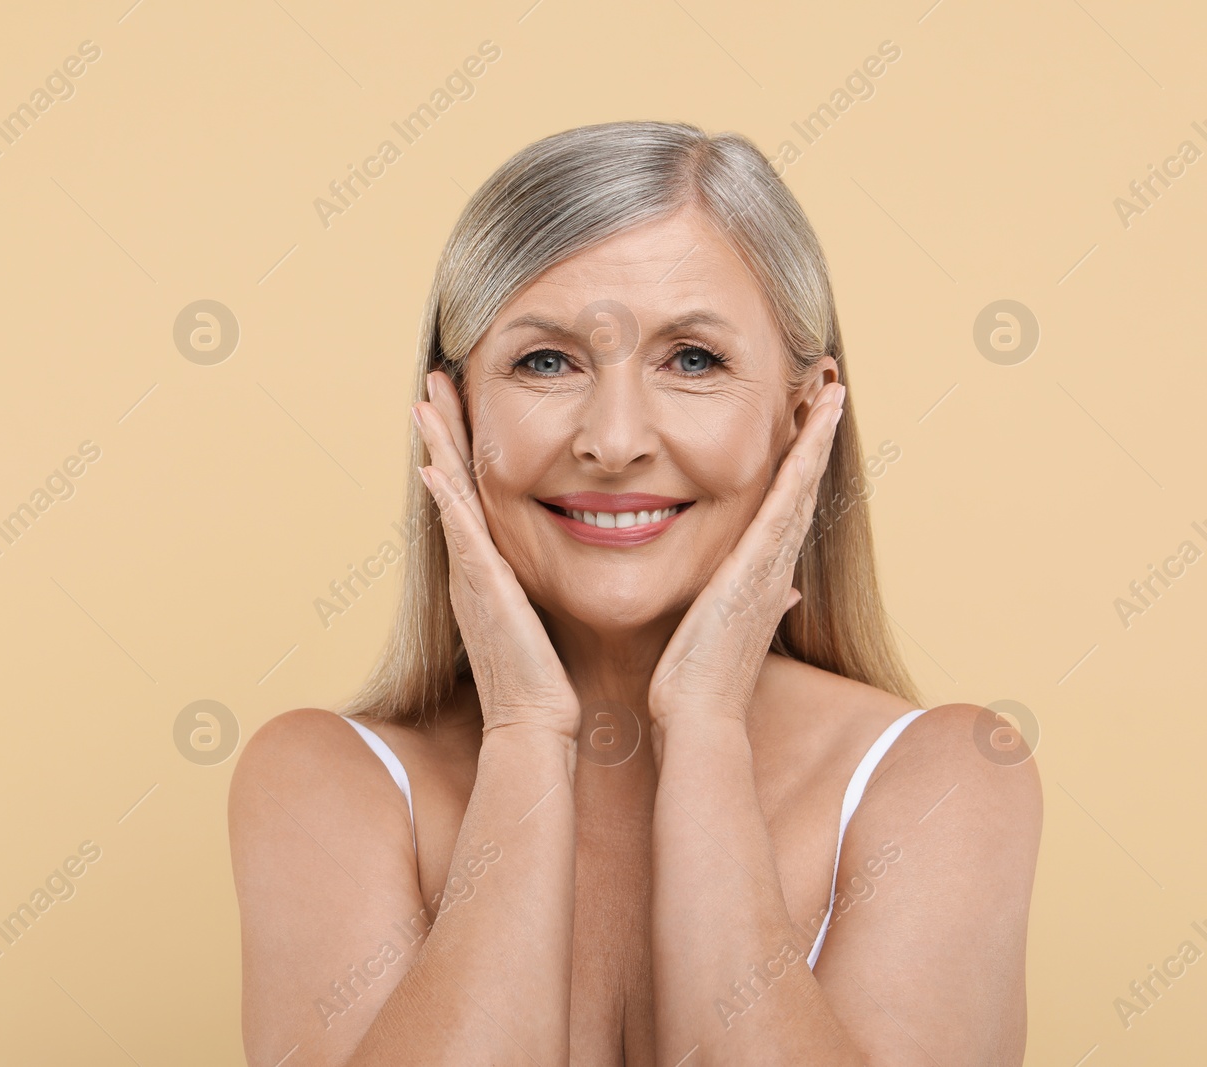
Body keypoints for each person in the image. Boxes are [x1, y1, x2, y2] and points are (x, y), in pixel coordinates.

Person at [229, 120, 1042, 1066]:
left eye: (692, 359)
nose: (613, 441)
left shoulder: (944, 782)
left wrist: (704, 725)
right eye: (546, 362)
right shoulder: (327, 784)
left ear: (803, 412)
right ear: (452, 412)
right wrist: (527, 728)